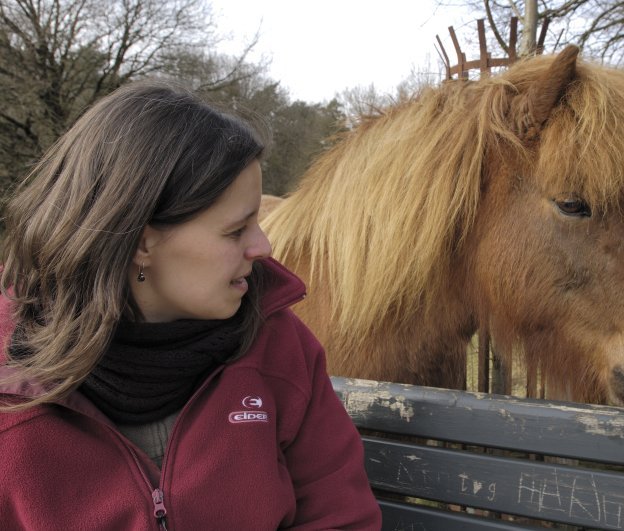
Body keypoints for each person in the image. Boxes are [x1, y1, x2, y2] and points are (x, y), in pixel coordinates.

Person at [0, 81, 381, 530]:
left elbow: (341, 518)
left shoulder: (281, 348)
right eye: (236, 230)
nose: (263, 246)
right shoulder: (12, 382)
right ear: (142, 242)